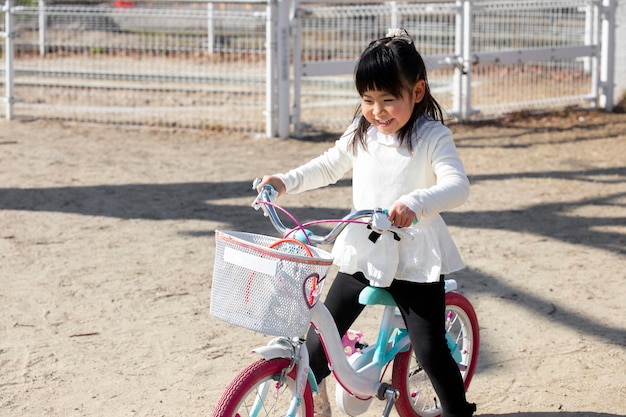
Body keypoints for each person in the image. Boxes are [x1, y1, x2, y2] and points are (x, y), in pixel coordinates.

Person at [256, 28, 476, 417]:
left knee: (429, 347)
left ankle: (458, 412)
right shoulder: (362, 132)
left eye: (389, 100)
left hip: (414, 261)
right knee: (318, 340)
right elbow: (328, 165)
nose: (377, 111)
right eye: (368, 100)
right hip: (364, 251)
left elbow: (457, 186)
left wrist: (415, 201)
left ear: (418, 92)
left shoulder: (432, 137)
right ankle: (309, 398)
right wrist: (284, 181)